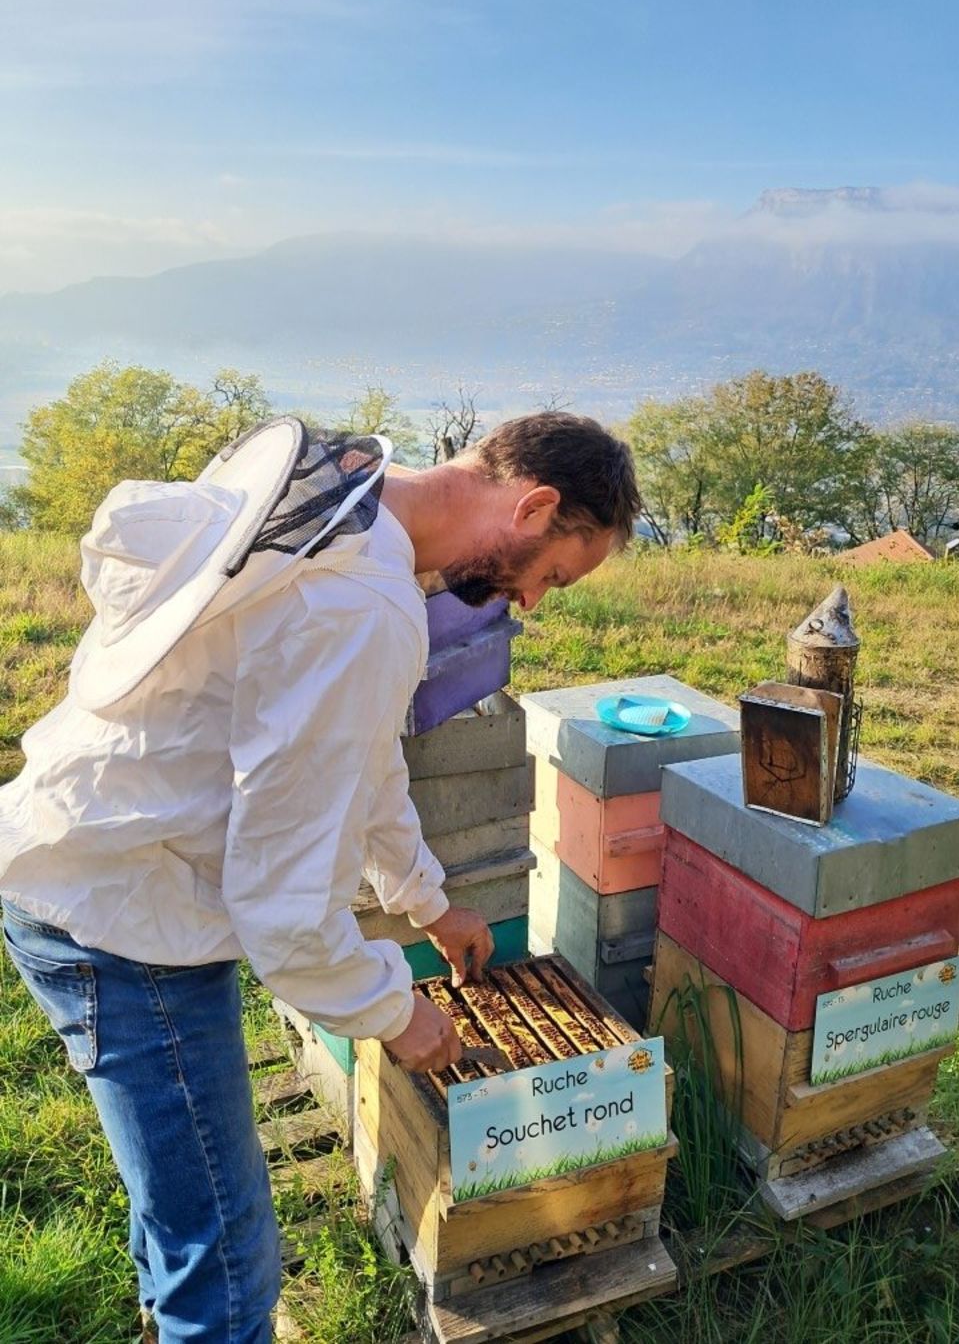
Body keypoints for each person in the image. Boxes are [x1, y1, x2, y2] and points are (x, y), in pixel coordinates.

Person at [0, 409, 640, 1343]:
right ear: (535, 503)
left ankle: (163, 1319)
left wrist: (427, 901)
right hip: (126, 917)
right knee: (227, 1263)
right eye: (552, 573)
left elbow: (362, 758)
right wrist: (396, 1012)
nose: (534, 602)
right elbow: (286, 916)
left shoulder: (357, 499)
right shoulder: (363, 604)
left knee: (181, 1203)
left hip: (91, 862)